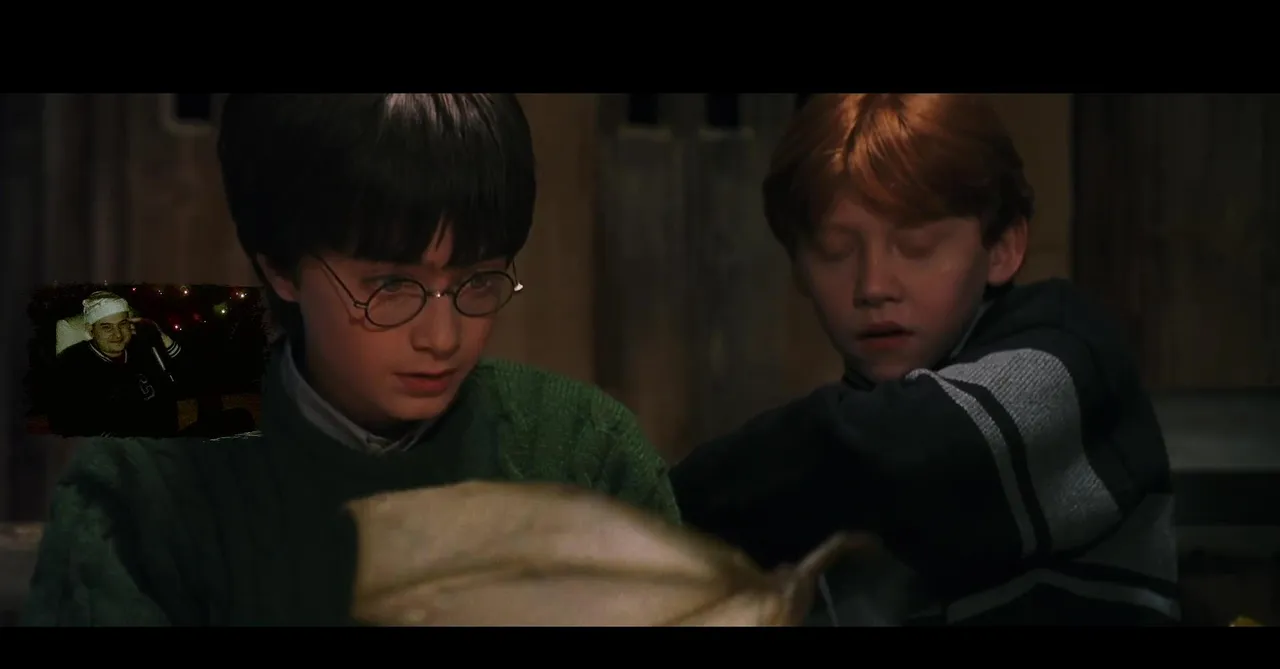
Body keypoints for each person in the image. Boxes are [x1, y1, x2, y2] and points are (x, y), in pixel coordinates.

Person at [22, 94, 680, 626]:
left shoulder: (584, 451)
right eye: (390, 286)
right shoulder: (147, 460)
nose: (443, 337)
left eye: (479, 280)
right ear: (280, 268)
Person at [671, 94, 1180, 625]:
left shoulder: (1066, 348)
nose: (873, 286)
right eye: (835, 251)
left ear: (1002, 247)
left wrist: (661, 499)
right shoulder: (828, 456)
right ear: (798, 266)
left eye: (916, 246)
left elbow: (901, 450)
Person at [46, 291, 189, 438]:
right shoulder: (70, 364)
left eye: (123, 324)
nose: (118, 334)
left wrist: (162, 338)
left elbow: (189, 379)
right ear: (90, 330)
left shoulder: (143, 346)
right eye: (107, 327)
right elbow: (66, 424)